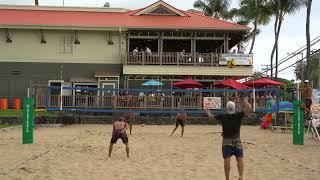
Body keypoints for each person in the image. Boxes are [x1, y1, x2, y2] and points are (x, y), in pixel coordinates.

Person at [205, 97, 252, 180]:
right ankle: (241, 176)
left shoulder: (223, 116)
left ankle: (227, 178)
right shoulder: (238, 115)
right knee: (239, 159)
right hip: (237, 139)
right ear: (234, 108)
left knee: (227, 160)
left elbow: (211, 118)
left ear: (227, 109)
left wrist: (208, 112)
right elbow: (249, 108)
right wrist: (245, 101)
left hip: (226, 140)